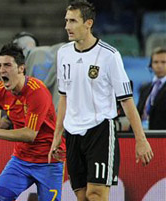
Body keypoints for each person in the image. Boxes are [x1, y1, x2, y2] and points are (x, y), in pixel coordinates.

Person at [50, 2, 154, 201]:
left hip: (100, 130)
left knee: (96, 194)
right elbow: (64, 97)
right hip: (72, 133)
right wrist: (57, 135)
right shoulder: (63, 53)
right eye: (66, 21)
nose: (67, 27)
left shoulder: (109, 55)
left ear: (88, 23)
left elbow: (127, 100)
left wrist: (140, 140)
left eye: (73, 21)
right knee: (81, 196)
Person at [0, 43, 66, 201]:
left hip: (49, 161)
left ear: (21, 68)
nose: (2, 70)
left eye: (7, 65)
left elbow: (29, 134)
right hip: (20, 160)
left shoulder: (37, 91)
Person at [137, 47, 166, 130]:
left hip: (162, 135)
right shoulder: (144, 88)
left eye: (163, 62)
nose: (159, 65)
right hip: (144, 134)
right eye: (156, 62)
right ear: (151, 65)